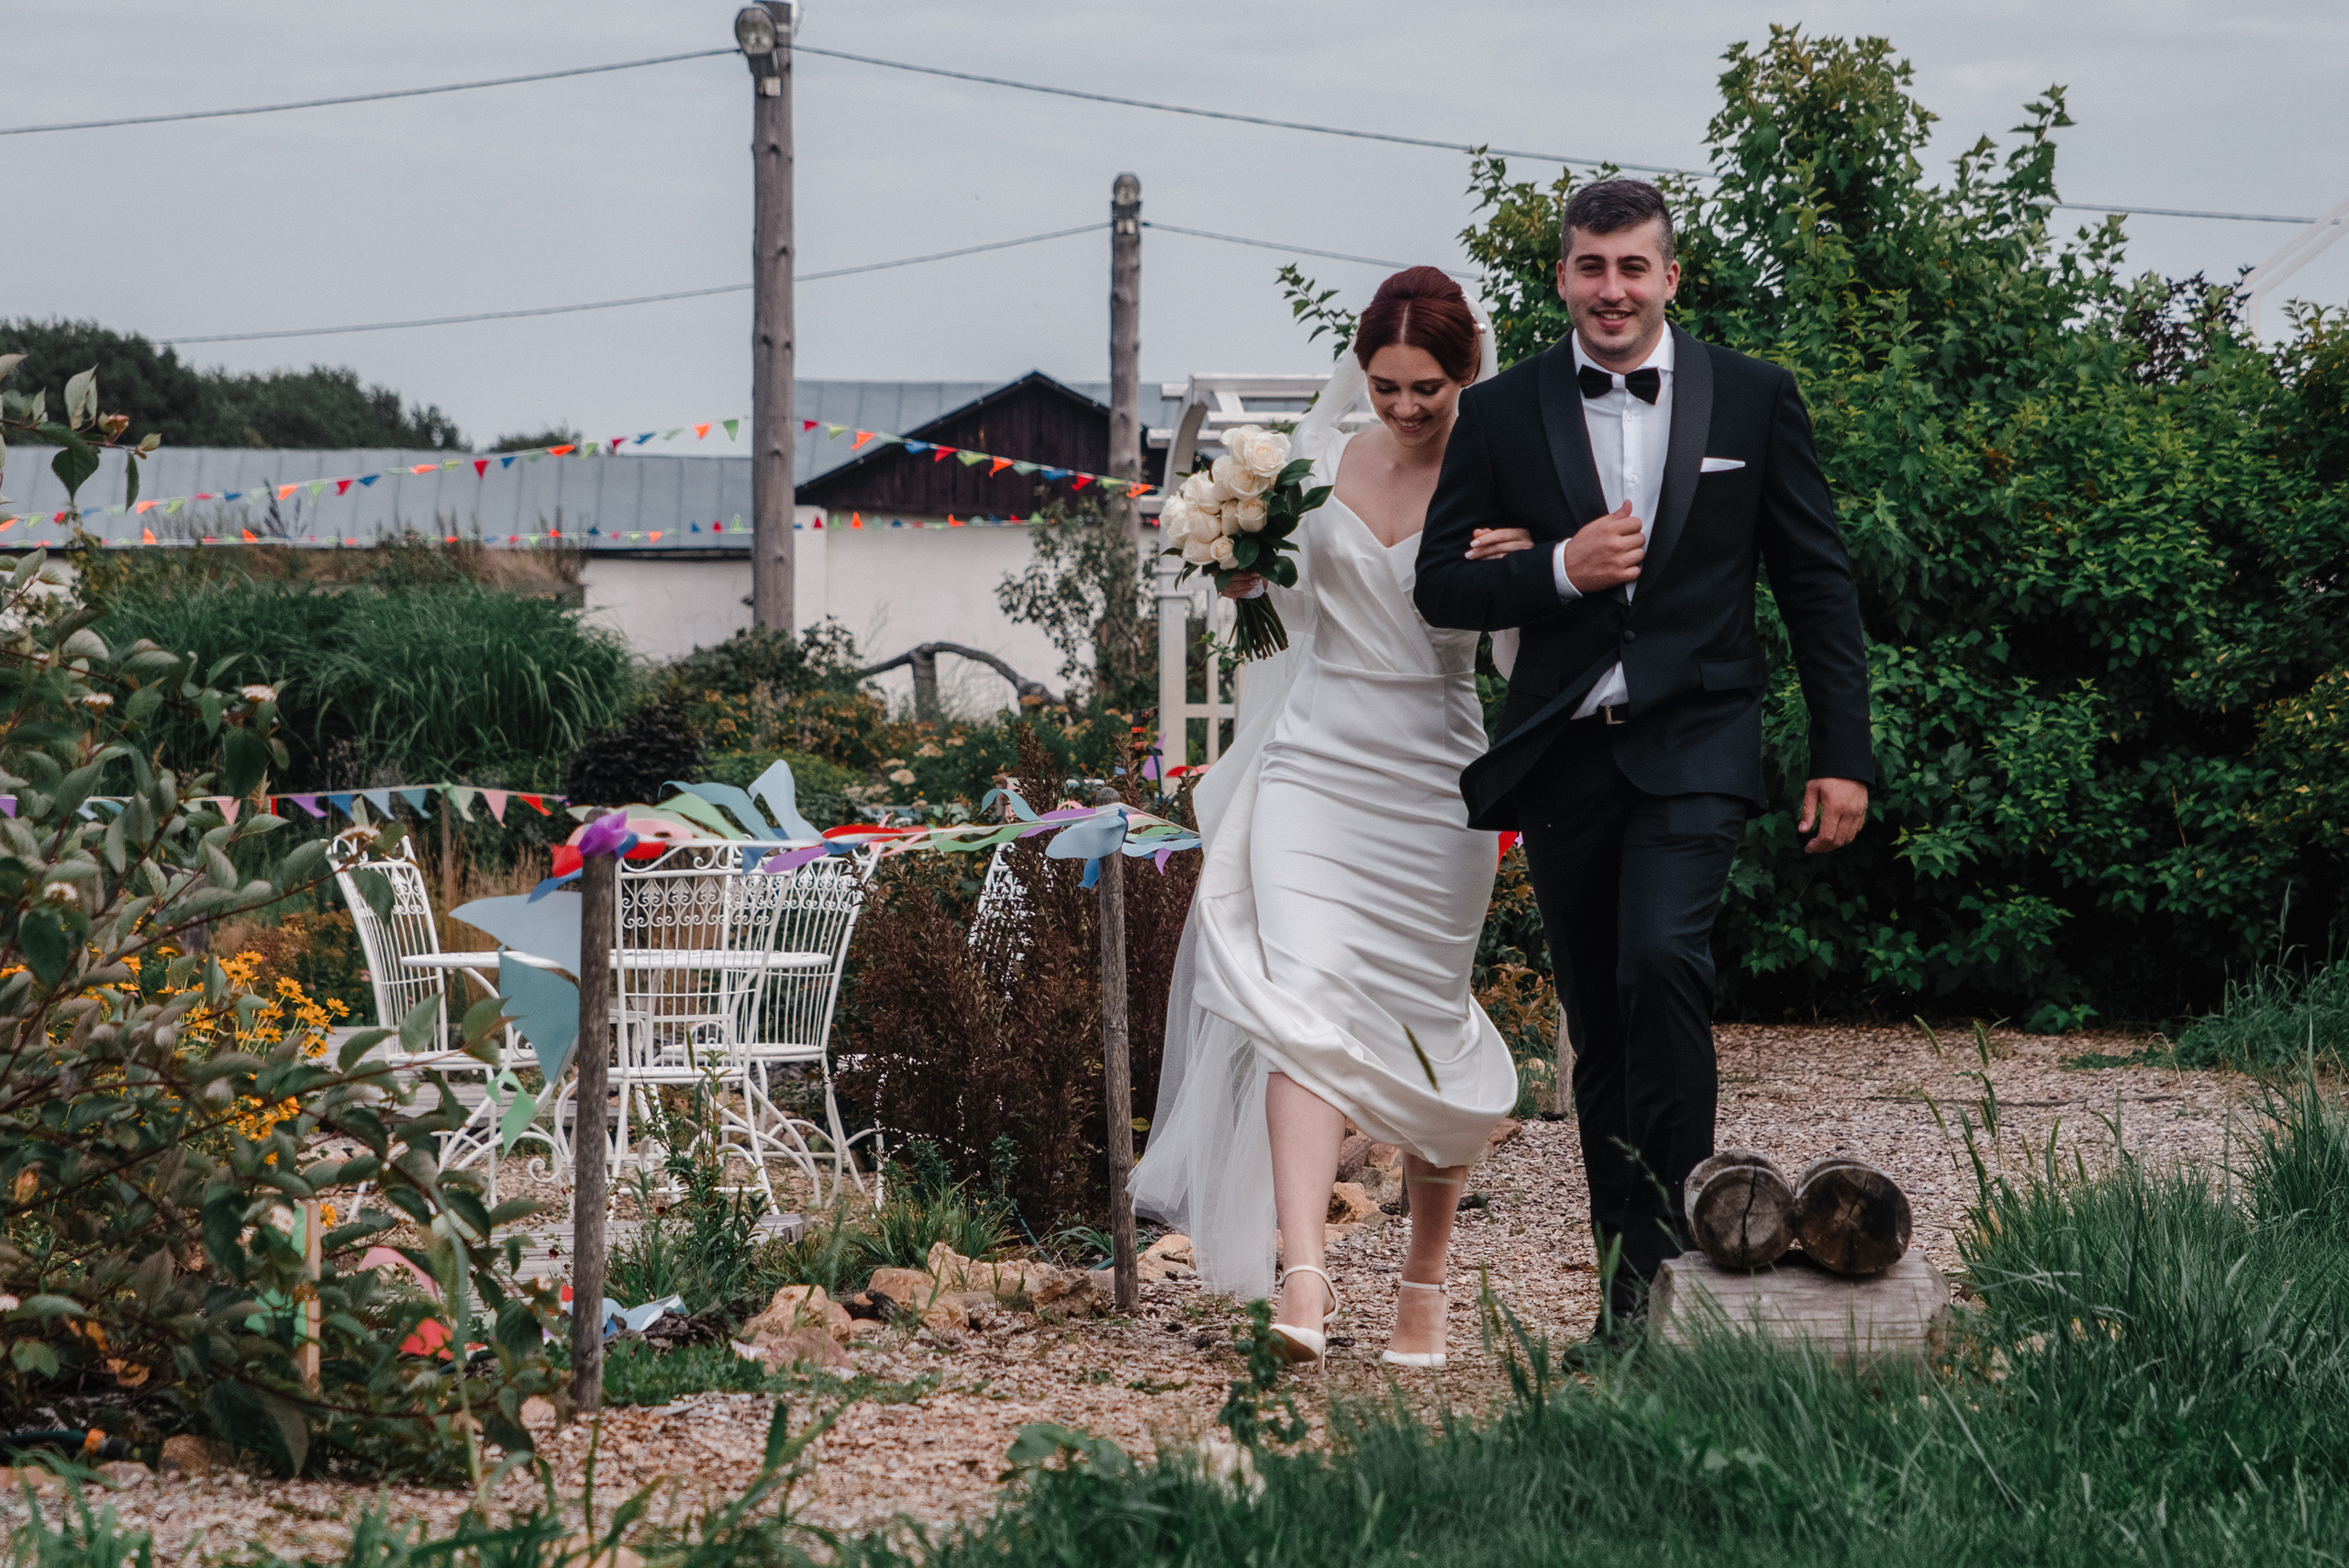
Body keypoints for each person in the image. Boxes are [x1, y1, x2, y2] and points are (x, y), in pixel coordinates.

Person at [1412, 180, 1875, 1341]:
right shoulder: (1505, 412)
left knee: (1662, 960)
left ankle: (1695, 1259)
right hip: (1565, 753)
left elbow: (1815, 581)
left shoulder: (1755, 399)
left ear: (1670, 276)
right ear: (1561, 277)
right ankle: (1631, 1301)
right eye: (1588, 267)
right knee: (1600, 1023)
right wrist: (1560, 566)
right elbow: (1440, 583)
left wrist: (1842, 753)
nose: (1610, 290)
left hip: (1698, 737)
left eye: (1632, 268)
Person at [1131, 267, 1526, 1368]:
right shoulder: (1315, 472)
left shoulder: (1497, 481)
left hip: (1439, 777)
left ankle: (1424, 1285)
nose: (1403, 406)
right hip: (1316, 763)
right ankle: (1302, 1274)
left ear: (1466, 376)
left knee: (1425, 1020)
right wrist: (1241, 576)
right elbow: (1290, 621)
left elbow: (1511, 658)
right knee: (1294, 1003)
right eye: (1387, 383)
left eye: (1428, 389)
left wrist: (1521, 577)